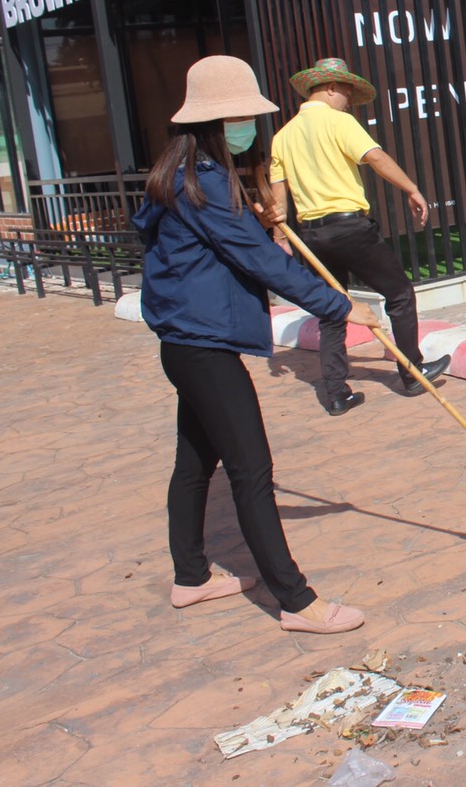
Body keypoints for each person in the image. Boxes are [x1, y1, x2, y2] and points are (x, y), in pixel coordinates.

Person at [134, 55, 376, 633]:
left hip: (185, 342)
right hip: (202, 347)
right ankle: (297, 601)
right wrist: (341, 305)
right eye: (241, 118)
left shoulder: (183, 175)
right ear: (217, 123)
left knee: (195, 462)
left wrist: (255, 222)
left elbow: (225, 247)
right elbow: (262, 262)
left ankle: (191, 578)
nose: (248, 128)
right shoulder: (206, 185)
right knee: (251, 471)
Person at [267, 58, 450, 415]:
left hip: (311, 235)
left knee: (332, 310)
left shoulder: (282, 136)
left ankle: (337, 394)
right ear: (331, 87)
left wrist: (280, 236)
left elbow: (278, 195)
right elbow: (376, 158)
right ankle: (413, 373)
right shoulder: (338, 121)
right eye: (347, 92)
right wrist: (412, 189)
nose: (349, 100)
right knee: (399, 294)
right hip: (348, 228)